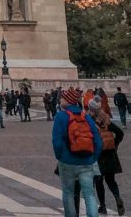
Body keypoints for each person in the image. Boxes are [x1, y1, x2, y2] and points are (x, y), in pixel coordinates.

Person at [51, 87, 102, 217]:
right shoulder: (86, 116)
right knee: (89, 194)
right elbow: (97, 140)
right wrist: (93, 157)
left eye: (62, 98)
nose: (60, 99)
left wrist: (61, 157)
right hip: (86, 161)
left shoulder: (61, 116)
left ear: (68, 101)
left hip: (67, 161)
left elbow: (56, 141)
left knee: (68, 193)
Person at [90, 97, 125, 216]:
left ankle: (103, 206)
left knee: (99, 181)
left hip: (99, 154)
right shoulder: (106, 119)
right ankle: (117, 197)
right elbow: (120, 132)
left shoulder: (90, 120)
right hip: (110, 153)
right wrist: (115, 144)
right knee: (111, 180)